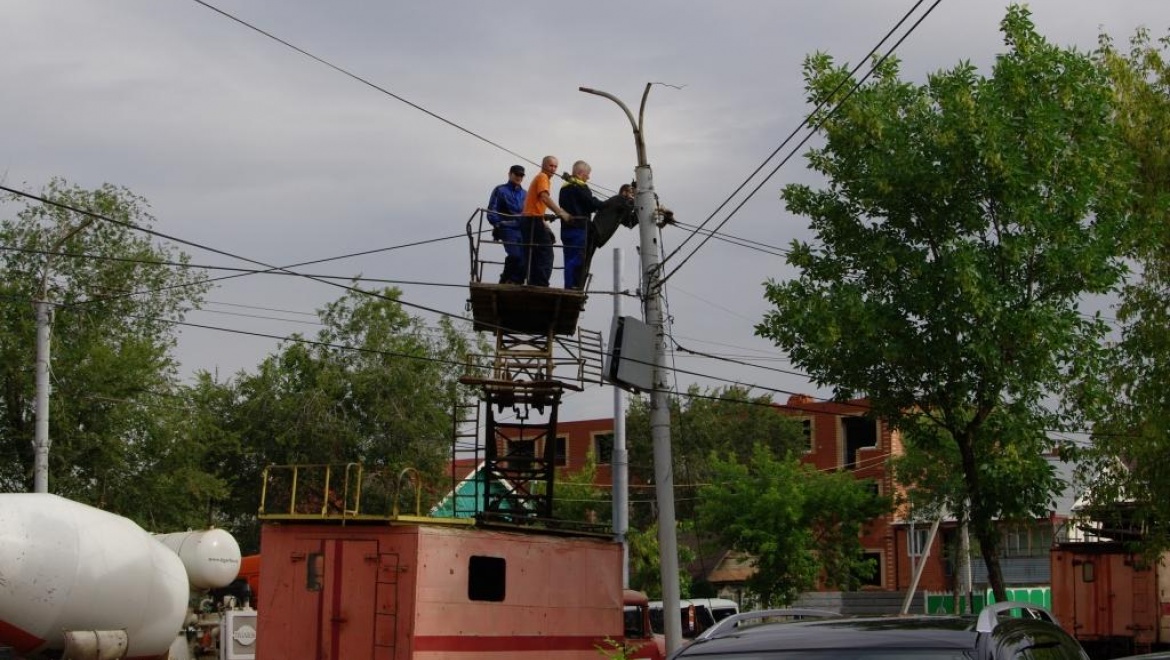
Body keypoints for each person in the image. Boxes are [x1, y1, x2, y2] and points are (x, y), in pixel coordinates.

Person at [520, 155, 572, 286]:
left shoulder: (542, 179)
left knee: (535, 252)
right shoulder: (543, 177)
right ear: (543, 165)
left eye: (555, 166)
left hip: (531, 220)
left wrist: (546, 217)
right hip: (532, 220)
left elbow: (537, 203)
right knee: (546, 252)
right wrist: (560, 212)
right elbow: (544, 197)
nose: (553, 169)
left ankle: (534, 281)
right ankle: (541, 283)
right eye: (551, 165)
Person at [558, 160, 603, 289]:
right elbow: (591, 203)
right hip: (578, 228)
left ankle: (568, 285)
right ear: (580, 173)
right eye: (587, 174)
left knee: (568, 258)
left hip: (565, 229)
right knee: (578, 258)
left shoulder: (564, 187)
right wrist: (604, 205)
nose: (588, 177)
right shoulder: (579, 186)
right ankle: (572, 286)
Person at [486, 165, 527, 284]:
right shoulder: (500, 190)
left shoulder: (525, 194)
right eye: (516, 174)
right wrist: (498, 224)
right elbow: (492, 210)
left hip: (522, 229)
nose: (519, 177)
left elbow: (529, 212)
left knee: (526, 258)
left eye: (521, 175)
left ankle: (515, 280)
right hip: (507, 227)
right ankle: (506, 279)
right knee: (515, 255)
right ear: (510, 174)